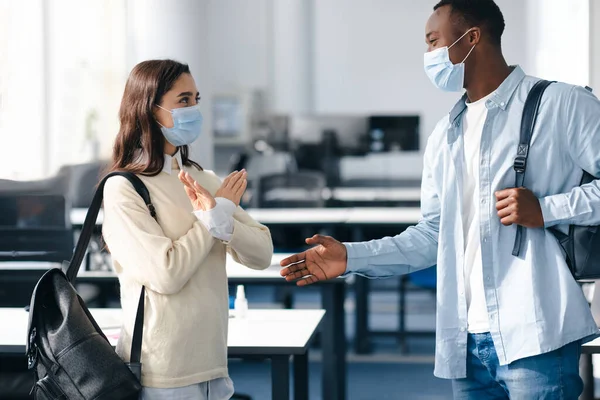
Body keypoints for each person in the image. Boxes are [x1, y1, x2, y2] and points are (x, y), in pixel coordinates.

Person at [280, 1, 600, 398]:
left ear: (471, 38)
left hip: (535, 337)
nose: (428, 55)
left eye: (433, 41)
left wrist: (546, 210)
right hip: (465, 345)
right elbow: (433, 235)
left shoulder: (561, 104)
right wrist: (350, 257)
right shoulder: (445, 135)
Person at [102, 59, 273, 400]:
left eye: (196, 99)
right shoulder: (125, 188)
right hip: (160, 371)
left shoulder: (205, 180)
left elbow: (262, 253)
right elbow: (166, 274)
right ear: (150, 109)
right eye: (183, 100)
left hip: (214, 364)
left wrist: (221, 217)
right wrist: (214, 217)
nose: (194, 108)